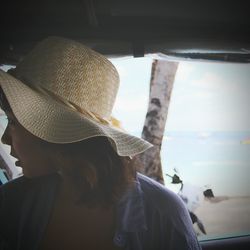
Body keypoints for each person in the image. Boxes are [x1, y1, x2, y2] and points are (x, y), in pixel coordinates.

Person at [0, 37, 201, 250]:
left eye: (12, 122)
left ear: (56, 137)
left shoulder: (163, 212)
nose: (4, 138)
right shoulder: (10, 203)